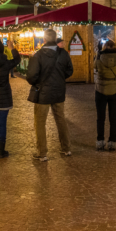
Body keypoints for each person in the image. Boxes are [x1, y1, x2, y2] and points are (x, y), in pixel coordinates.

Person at [25, 28, 74, 162]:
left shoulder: (39, 55)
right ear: (56, 38)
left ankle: (42, 152)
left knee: (40, 122)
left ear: (44, 40)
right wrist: (59, 78)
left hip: (43, 93)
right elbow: (70, 70)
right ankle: (66, 148)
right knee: (60, 119)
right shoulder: (63, 54)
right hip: (59, 91)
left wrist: (37, 82)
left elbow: (31, 76)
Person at [95, 40, 116, 151]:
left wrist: (99, 52)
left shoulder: (100, 58)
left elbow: (94, 65)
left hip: (101, 90)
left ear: (104, 47)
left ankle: (100, 141)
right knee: (113, 118)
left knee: (100, 118)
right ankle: (112, 142)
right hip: (115, 90)